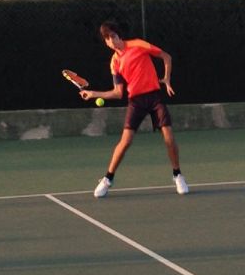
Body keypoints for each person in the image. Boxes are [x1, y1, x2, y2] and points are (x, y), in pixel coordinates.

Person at [80, 20, 189, 198]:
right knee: (126, 141)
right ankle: (107, 179)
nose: (112, 41)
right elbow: (117, 93)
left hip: (154, 97)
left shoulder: (138, 45)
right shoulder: (114, 62)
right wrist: (94, 94)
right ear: (106, 43)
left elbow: (166, 57)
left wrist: (166, 78)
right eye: (108, 39)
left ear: (118, 35)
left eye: (113, 36)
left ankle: (178, 175)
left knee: (169, 137)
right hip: (136, 101)